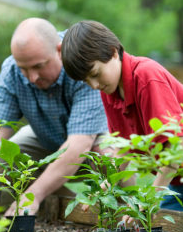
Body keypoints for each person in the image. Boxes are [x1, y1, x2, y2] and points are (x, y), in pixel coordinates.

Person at [0, 18, 109, 216]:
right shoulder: (11, 71)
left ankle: (126, 213)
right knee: (6, 158)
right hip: (45, 138)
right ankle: (63, 207)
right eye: (24, 69)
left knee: (109, 156)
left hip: (93, 137)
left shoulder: (81, 61)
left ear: (59, 50)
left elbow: (79, 144)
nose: (32, 77)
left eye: (39, 66)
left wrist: (33, 195)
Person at [61, 20, 183, 211]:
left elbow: (176, 145)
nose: (93, 85)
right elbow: (123, 148)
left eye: (95, 73)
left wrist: (148, 200)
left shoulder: (146, 76)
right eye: (86, 81)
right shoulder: (110, 91)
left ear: (113, 52)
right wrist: (104, 188)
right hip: (177, 181)